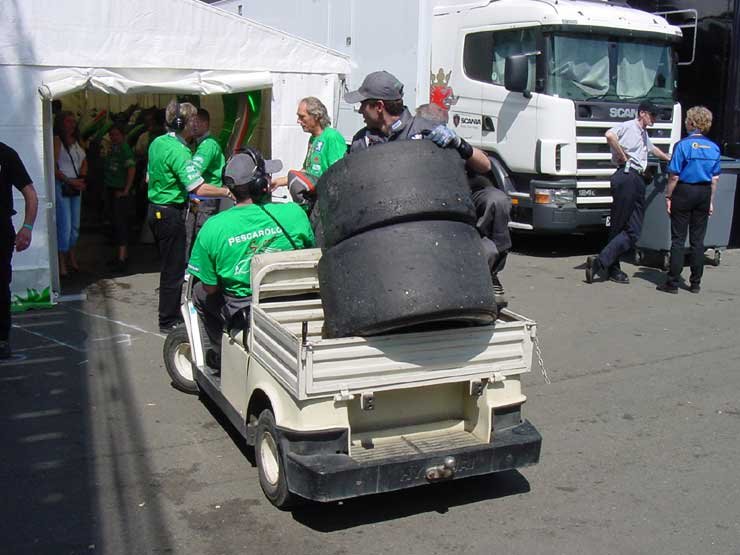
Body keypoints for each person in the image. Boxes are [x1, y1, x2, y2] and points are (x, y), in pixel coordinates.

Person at [187, 148, 315, 369]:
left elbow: (209, 288)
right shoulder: (294, 213)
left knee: (198, 294)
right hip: (294, 300)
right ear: (262, 185)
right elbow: (310, 253)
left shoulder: (213, 228)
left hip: (245, 308)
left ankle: (222, 352)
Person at [147, 100, 233, 333]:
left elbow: (149, 177)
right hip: (169, 212)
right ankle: (168, 321)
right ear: (182, 123)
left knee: (170, 266)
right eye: (193, 119)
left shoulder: (157, 143)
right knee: (174, 270)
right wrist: (228, 191)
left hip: (155, 210)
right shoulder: (179, 150)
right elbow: (198, 187)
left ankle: (170, 314)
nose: (195, 124)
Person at [416, 102, 512, 304]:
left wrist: (460, 144)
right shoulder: (413, 144)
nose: (435, 128)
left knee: (497, 200)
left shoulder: (453, 142)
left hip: (465, 198)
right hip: (429, 206)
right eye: (430, 124)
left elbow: (485, 165)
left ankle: (492, 273)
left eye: (440, 124)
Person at [585, 101, 671, 284]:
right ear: (642, 113)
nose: (655, 118)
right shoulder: (629, 126)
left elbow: (652, 148)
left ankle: (601, 261)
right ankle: (612, 268)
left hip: (637, 179)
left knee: (633, 230)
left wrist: (668, 157)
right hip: (627, 176)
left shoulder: (643, 133)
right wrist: (623, 157)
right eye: (652, 115)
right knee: (619, 225)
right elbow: (609, 135)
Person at [345, 70, 490, 174]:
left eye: (363, 104)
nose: (360, 110)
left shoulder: (427, 131)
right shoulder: (361, 140)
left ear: (379, 107)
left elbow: (486, 166)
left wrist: (458, 143)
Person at [656, 106, 721, 294]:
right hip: (703, 192)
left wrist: (668, 196)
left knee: (678, 239)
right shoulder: (714, 147)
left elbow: (674, 175)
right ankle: (695, 283)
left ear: (691, 123)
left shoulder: (682, 145)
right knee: (698, 240)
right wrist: (710, 200)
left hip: (684, 191)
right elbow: (715, 179)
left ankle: (673, 283)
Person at [272, 96, 347, 206]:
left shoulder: (332, 137)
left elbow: (338, 174)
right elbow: (307, 171)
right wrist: (279, 182)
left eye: (302, 117)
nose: (298, 121)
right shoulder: (313, 139)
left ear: (316, 116)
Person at [1, 143, 38, 359]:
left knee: (1, 284)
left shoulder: (6, 154)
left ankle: (2, 338)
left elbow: (30, 194)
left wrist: (28, 227)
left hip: (1, 229)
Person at [54, 111, 87, 277]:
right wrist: (71, 181)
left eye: (74, 121)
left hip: (76, 185)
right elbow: (53, 168)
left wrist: (81, 179)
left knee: (75, 226)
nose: (72, 124)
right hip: (63, 184)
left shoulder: (77, 141)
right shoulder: (57, 141)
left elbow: (84, 161)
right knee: (64, 226)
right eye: (68, 121)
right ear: (61, 123)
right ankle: (62, 262)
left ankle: (71, 257)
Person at [188, 108, 226, 242]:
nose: (192, 125)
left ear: (206, 124)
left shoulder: (207, 145)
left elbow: (192, 172)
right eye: (190, 121)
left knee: (201, 236)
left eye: (196, 122)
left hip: (206, 198)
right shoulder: (199, 143)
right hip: (202, 197)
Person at [102, 124, 136, 272]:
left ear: (122, 135)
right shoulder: (113, 148)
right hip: (111, 189)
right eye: (111, 135)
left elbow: (131, 169)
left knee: (121, 223)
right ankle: (122, 255)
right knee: (115, 223)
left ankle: (122, 258)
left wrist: (126, 190)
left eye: (116, 134)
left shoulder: (124, 149)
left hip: (120, 191)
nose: (113, 137)